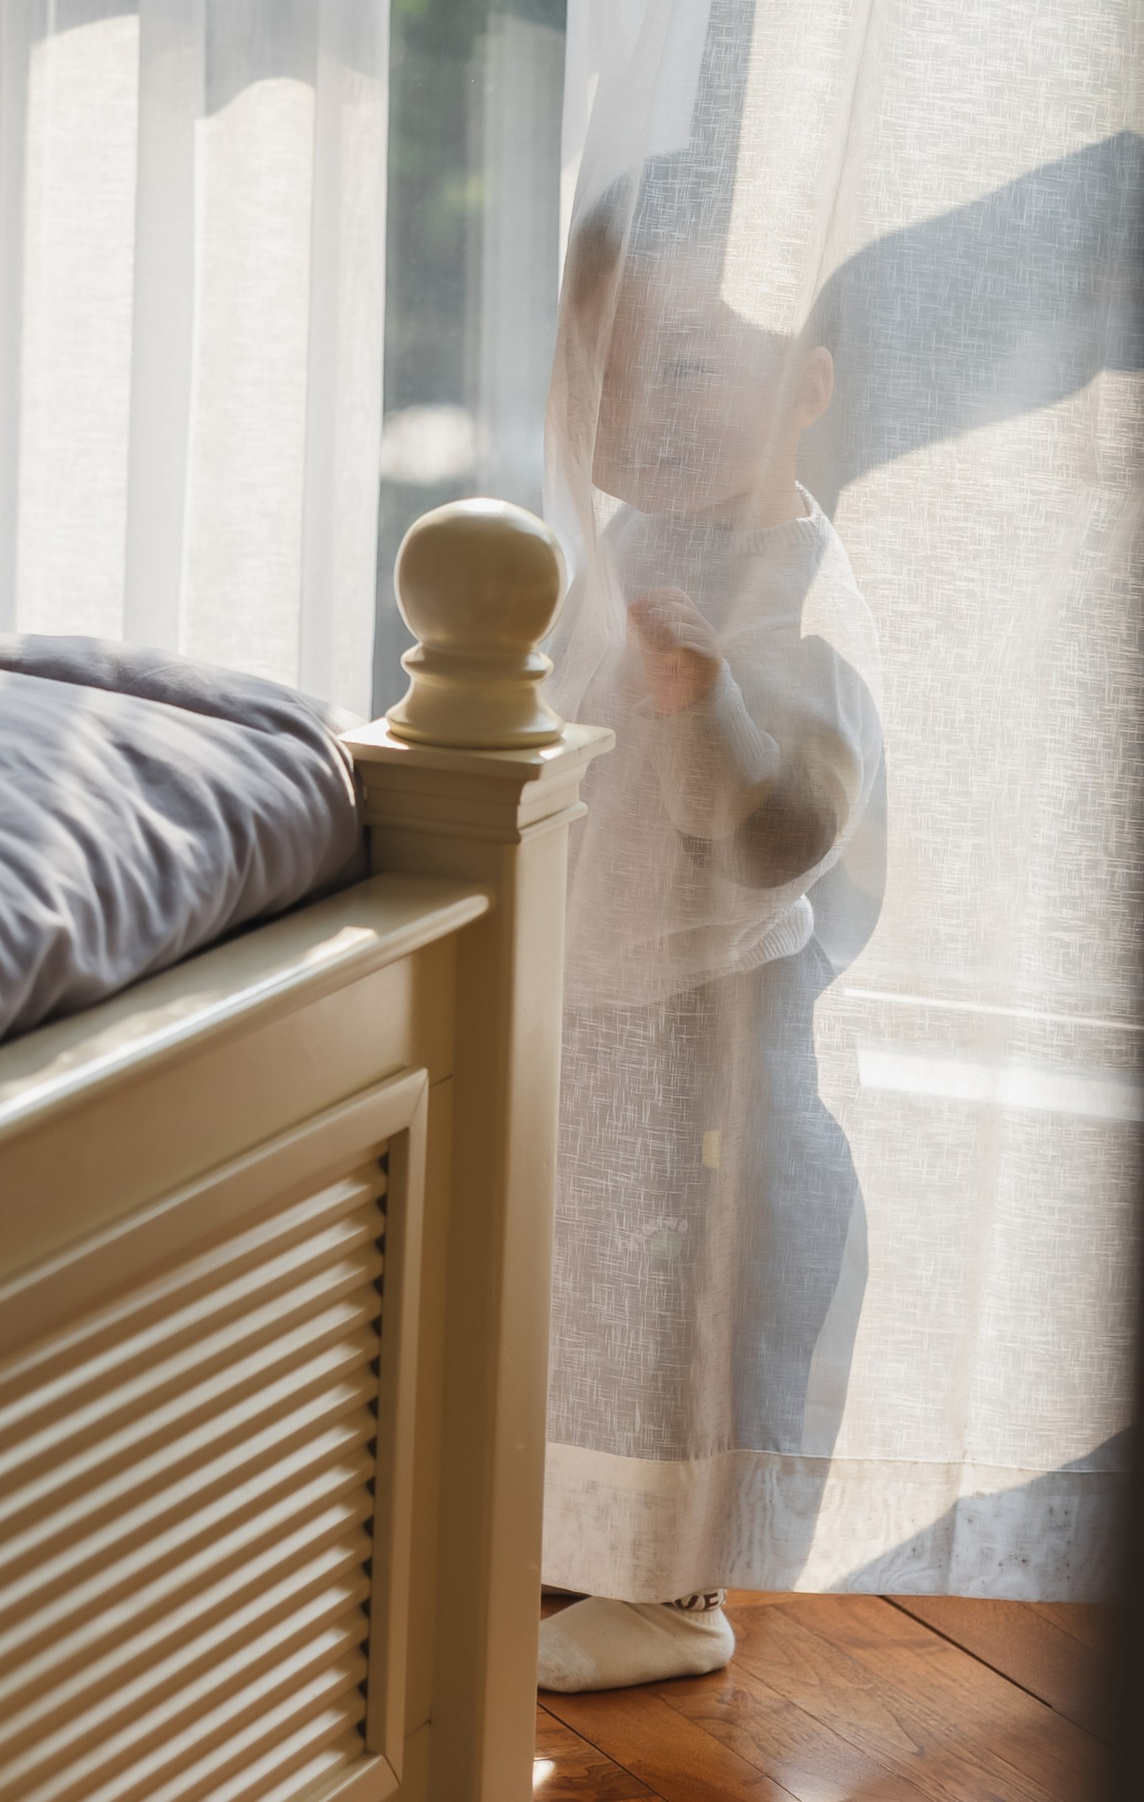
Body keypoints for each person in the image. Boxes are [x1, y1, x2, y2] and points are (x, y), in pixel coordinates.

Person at [535, 195, 885, 1693]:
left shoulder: (793, 599)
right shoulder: (625, 543)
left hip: (714, 1012)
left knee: (688, 1293)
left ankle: (675, 1589)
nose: (635, 411)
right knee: (585, 1273)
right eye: (604, 371)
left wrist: (702, 704)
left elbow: (784, 825)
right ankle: (575, 1530)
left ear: (808, 385)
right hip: (601, 994)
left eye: (682, 368)